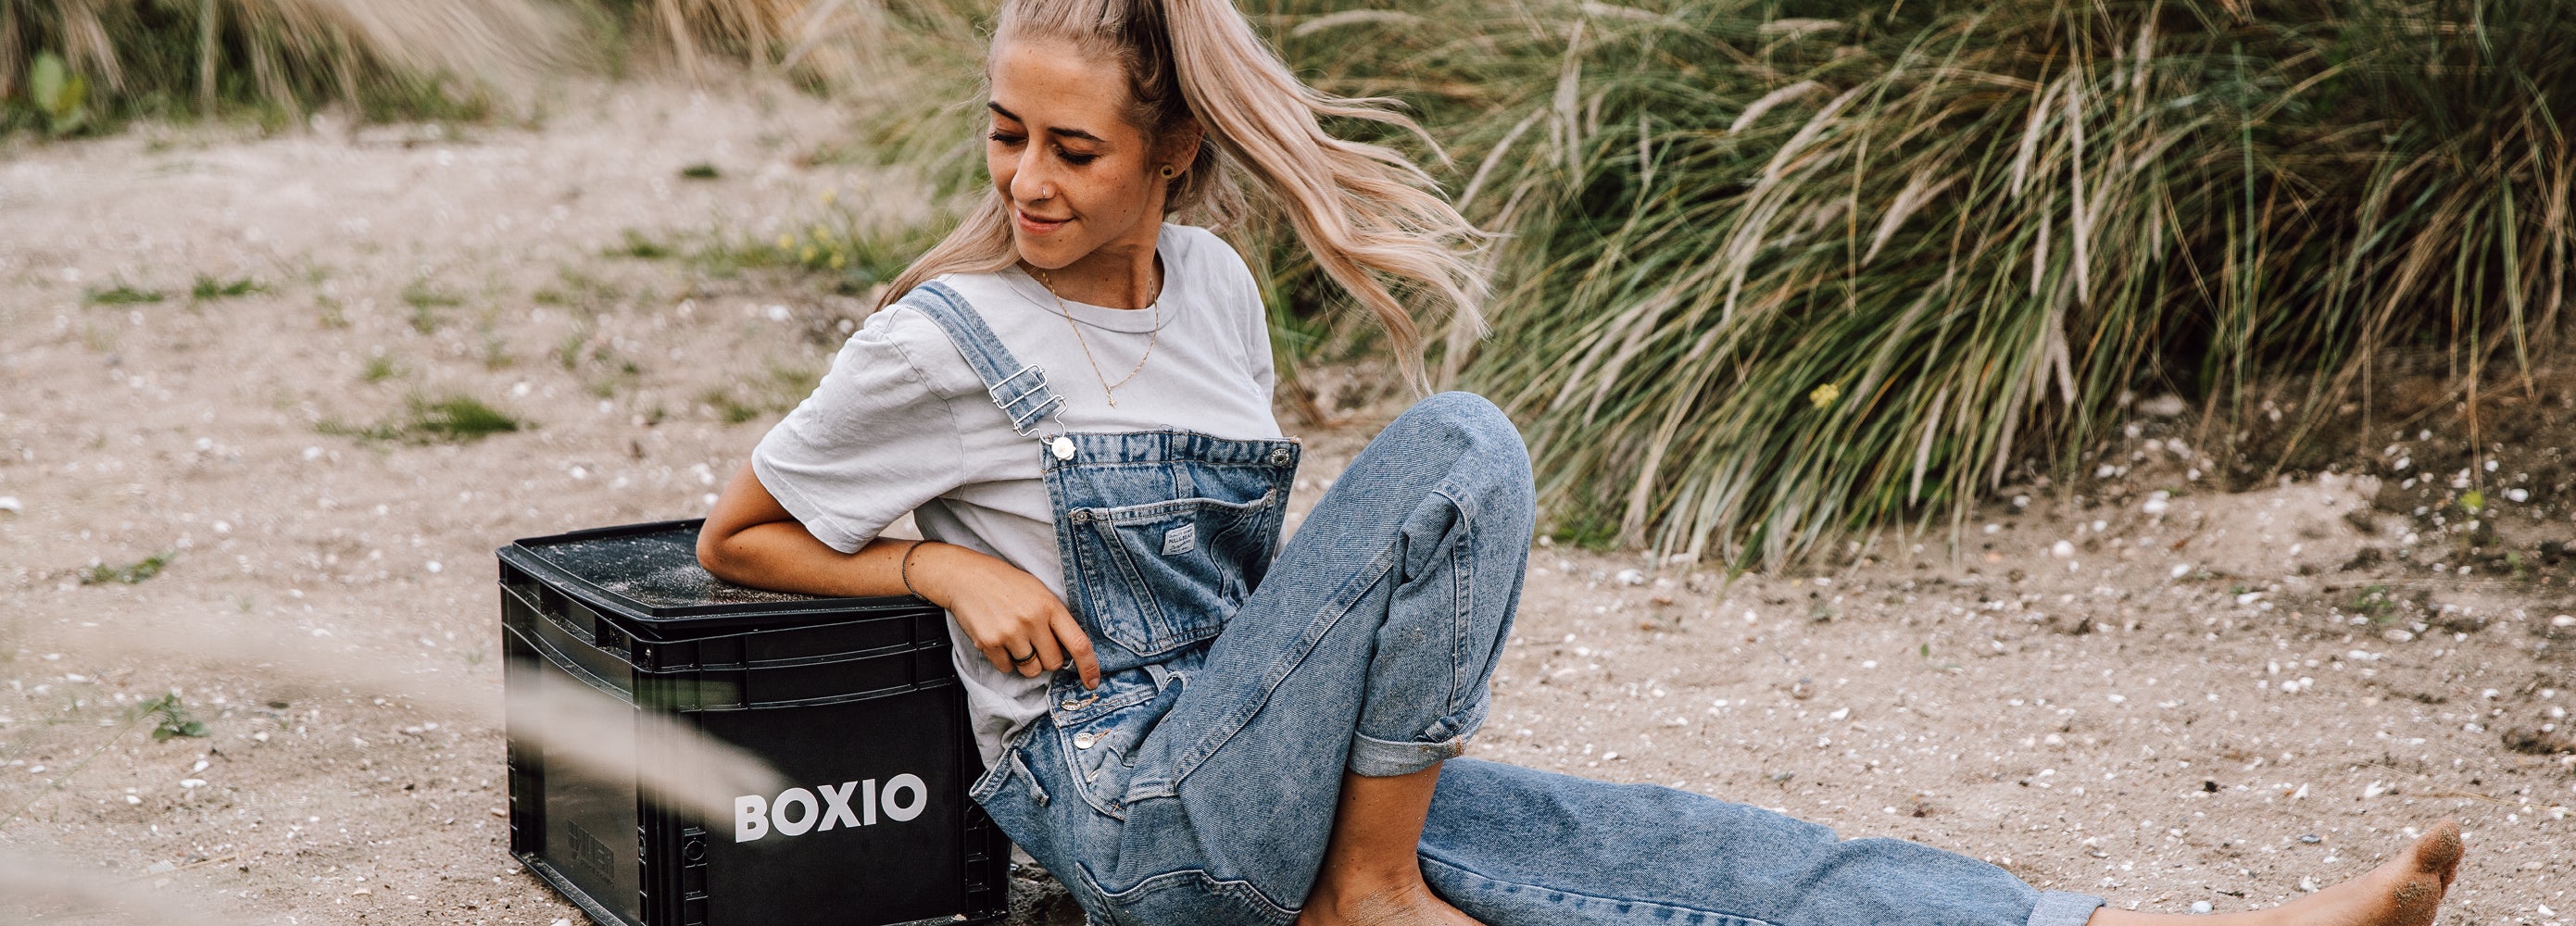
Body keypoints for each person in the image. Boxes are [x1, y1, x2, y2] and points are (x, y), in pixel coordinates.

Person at [694, 2, 2465, 923]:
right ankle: (1368, 900)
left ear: (1174, 155)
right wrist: (944, 565)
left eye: (1072, 149)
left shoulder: (1214, 288)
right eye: (1005, 135)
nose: (1026, 182)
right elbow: (736, 535)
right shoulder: (947, 337)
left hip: (1258, 763)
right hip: (1131, 818)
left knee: (1698, 857)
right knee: (1461, 444)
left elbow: (1263, 614)